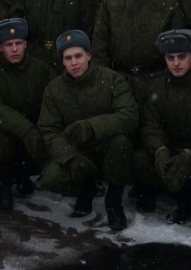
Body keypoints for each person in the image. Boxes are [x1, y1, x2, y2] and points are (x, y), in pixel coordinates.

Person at [38, 29, 138, 232]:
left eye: (78, 56)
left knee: (120, 144)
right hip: (77, 150)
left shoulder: (112, 80)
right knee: (51, 177)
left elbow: (129, 116)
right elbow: (49, 130)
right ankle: (86, 188)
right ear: (62, 61)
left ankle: (113, 200)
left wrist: (92, 127)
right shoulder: (54, 89)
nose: (74, 63)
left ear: (89, 56)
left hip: (107, 147)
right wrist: (71, 158)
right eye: (68, 58)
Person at [132, 29, 191, 226]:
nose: (176, 63)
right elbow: (150, 125)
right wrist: (160, 151)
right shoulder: (158, 87)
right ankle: (184, 197)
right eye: (170, 58)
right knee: (141, 160)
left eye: (181, 57)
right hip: (172, 150)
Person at [92, 0, 183, 106]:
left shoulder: (168, 3)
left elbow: (176, 47)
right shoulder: (112, 3)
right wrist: (104, 80)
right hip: (120, 80)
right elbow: (100, 45)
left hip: (157, 81)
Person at [0, 18, 56, 209]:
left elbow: (56, 99)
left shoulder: (40, 69)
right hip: (7, 130)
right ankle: (4, 186)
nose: (14, 49)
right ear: (0, 47)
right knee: (0, 141)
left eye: (18, 43)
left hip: (35, 129)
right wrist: (25, 129)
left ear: (25, 44)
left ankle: (24, 176)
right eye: (8, 45)